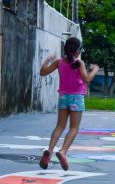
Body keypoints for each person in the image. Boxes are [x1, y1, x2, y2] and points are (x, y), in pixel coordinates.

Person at [38, 36, 99, 170]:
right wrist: (94, 70)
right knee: (74, 128)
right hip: (76, 98)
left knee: (59, 126)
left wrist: (48, 60)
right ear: (77, 51)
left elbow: (42, 72)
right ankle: (63, 151)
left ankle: (49, 149)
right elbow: (87, 78)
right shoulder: (80, 63)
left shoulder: (59, 62)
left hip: (63, 97)